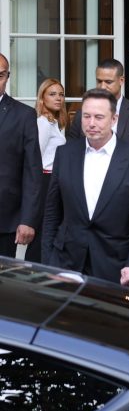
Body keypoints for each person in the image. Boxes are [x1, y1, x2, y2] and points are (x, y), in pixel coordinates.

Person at [42, 88, 129, 285]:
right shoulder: (65, 154)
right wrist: (47, 262)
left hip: (116, 265)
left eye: (99, 117)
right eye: (86, 116)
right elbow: (52, 212)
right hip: (66, 263)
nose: (91, 123)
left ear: (114, 119)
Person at [67, 58, 129, 212]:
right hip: (87, 199)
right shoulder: (82, 115)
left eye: (108, 82)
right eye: (99, 81)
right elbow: (70, 153)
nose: (102, 86)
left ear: (121, 81)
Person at [0, 53, 43, 258]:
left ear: (8, 77)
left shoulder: (24, 115)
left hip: (5, 219)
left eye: (0, 75)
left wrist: (28, 219)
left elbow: (32, 170)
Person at [25, 78, 67, 262]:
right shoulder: (43, 123)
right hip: (45, 181)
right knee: (43, 231)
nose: (58, 98)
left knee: (50, 230)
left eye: (61, 94)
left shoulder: (54, 123)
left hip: (53, 181)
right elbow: (35, 158)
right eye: (52, 94)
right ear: (42, 98)